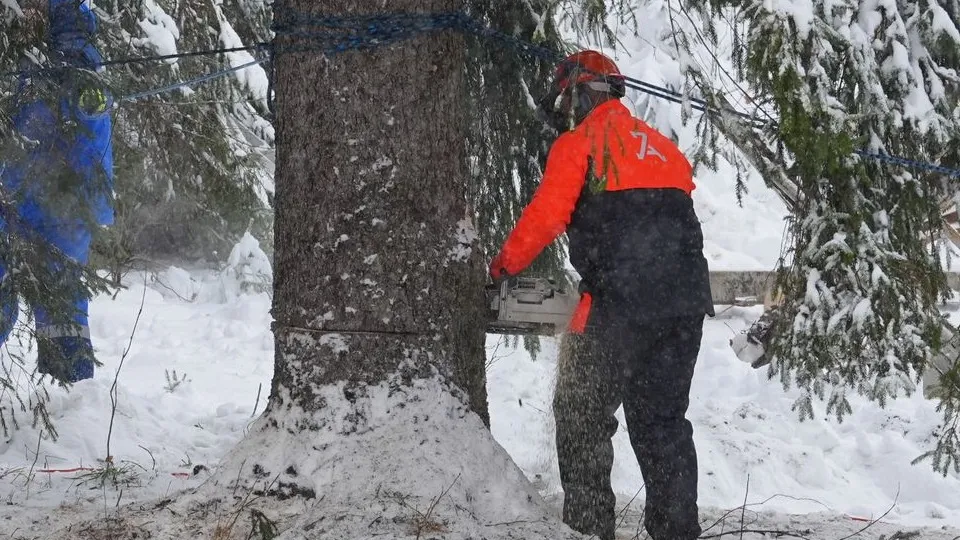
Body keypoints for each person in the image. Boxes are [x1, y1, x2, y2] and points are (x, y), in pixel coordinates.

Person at [488, 50, 714, 540]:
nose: (564, 110)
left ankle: (589, 533)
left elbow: (546, 219)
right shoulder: (666, 150)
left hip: (619, 305)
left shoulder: (579, 144)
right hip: (684, 306)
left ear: (581, 93)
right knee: (662, 423)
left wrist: (501, 267)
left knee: (582, 416)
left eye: (567, 99)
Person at [0, 0, 114, 383]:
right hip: (12, 194)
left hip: (61, 206)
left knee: (62, 300)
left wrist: (74, 74)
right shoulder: (14, 46)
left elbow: (94, 132)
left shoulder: (82, 63)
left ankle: (74, 398)